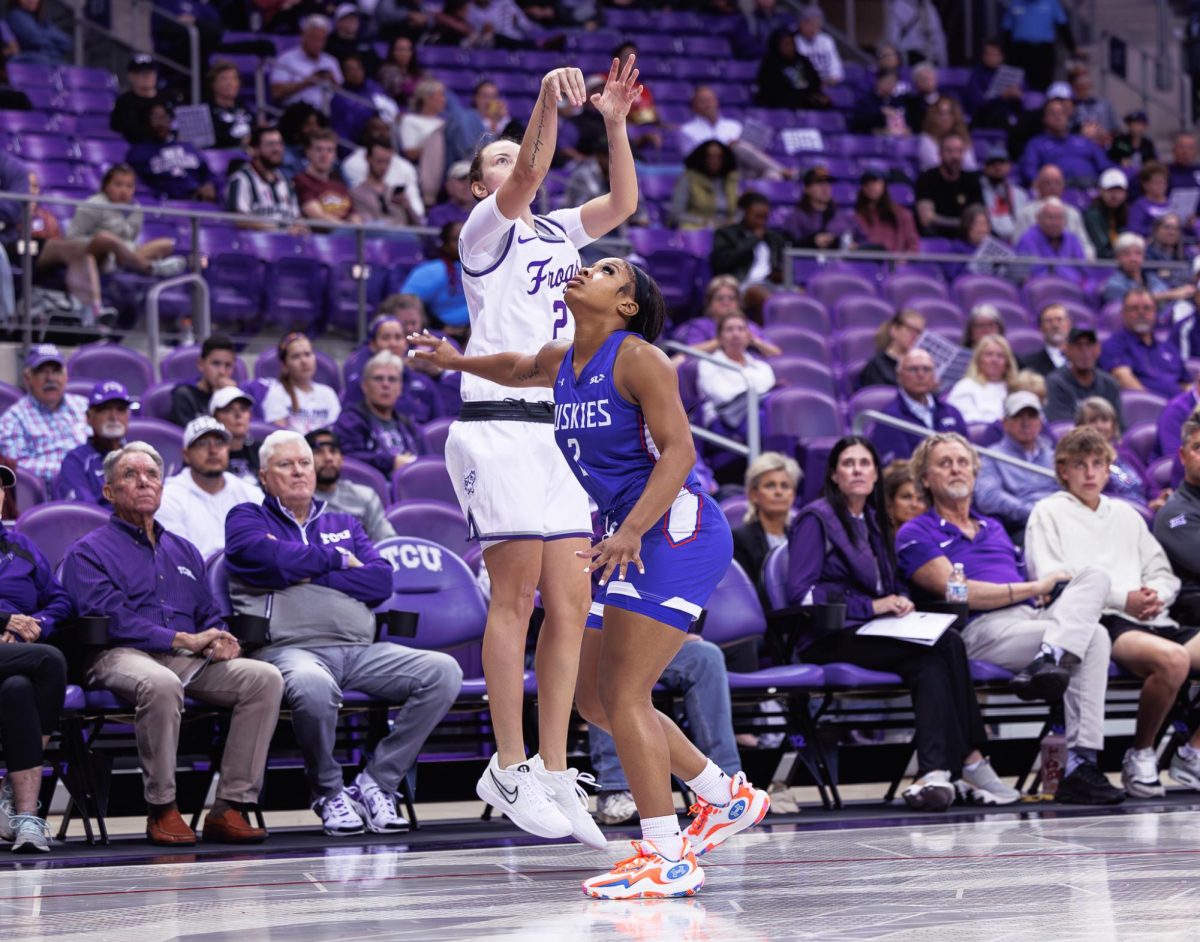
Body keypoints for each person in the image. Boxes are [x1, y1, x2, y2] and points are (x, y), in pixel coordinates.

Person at [410, 255, 770, 899]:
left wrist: (629, 529)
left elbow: (682, 451)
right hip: (634, 536)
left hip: (673, 531)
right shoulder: (562, 356)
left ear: (626, 304)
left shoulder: (640, 358)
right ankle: (726, 796)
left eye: (606, 270)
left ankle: (666, 852)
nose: (586, 270)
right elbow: (516, 369)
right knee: (596, 701)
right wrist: (455, 363)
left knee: (626, 694)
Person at [427, 61, 641, 847]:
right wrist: (547, 101)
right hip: (494, 422)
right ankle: (508, 763)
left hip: (556, 431)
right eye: (497, 157)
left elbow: (623, 202)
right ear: (480, 183)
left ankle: (553, 766)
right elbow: (536, 166)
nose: (513, 160)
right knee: (513, 598)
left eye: (515, 151)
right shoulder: (483, 230)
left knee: (572, 604)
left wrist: (614, 119)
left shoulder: (556, 231)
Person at [226, 431, 461, 836]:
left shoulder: (343, 522)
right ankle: (328, 791)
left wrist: (298, 573)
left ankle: (377, 782)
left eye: (304, 463)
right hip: (288, 650)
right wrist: (336, 560)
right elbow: (260, 557)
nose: (299, 471)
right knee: (314, 686)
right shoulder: (246, 518)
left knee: (444, 672)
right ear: (264, 477)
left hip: (359, 650)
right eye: (286, 464)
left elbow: (380, 582)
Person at [62, 442, 284, 845]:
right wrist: (183, 638)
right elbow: (111, 618)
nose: (143, 481)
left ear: (162, 488)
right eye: (130, 474)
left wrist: (221, 639)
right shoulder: (88, 551)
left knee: (264, 678)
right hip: (117, 654)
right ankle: (162, 808)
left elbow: (208, 612)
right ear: (109, 492)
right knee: (160, 683)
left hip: (183, 656)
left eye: (151, 475)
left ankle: (230, 805)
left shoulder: (183, 549)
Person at [787, 436, 1016, 810]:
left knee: (940, 651)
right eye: (848, 463)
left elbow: (885, 584)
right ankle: (972, 759)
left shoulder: (874, 520)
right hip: (830, 633)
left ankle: (935, 772)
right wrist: (871, 605)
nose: (857, 470)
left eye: (865, 463)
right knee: (941, 648)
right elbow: (802, 593)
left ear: (877, 474)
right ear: (834, 474)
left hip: (874, 630)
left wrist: (901, 601)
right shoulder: (816, 518)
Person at [897, 433, 1123, 805]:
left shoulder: (994, 527)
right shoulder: (916, 531)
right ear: (925, 478)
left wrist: (1042, 591)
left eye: (963, 462)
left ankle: (1078, 755)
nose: (956, 468)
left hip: (1031, 618)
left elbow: (1037, 591)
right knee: (1094, 637)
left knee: (1095, 579)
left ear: (974, 472)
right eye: (944, 463)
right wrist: (1034, 586)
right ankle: (1079, 760)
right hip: (979, 628)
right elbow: (959, 591)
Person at [1027, 426, 1200, 797]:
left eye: (1097, 464)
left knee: (1175, 653)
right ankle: (1140, 755)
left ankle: (1192, 752)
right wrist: (1126, 598)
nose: (1090, 473)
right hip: (1101, 620)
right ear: (1063, 470)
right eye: (1080, 465)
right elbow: (1055, 581)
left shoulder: (1125, 514)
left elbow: (1162, 572)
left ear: (1109, 469)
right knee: (1172, 661)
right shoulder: (1047, 512)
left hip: (1153, 614)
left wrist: (1157, 594)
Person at [589, 636, 745, 825]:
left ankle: (726, 787)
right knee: (610, 666)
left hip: (655, 646)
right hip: (604, 647)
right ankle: (616, 788)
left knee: (705, 655)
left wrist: (674, 635)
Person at [0, 462, 71, 853]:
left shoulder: (22, 547)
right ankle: (16, 793)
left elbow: (60, 600)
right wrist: (7, 619)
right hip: (22, 649)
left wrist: (36, 624)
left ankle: (26, 817)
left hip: (15, 658)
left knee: (18, 688)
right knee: (49, 662)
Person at [156, 417, 263, 560]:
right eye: (202, 444)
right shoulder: (168, 497)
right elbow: (179, 561)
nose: (213, 450)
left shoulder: (251, 493)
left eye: (219, 443)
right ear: (186, 455)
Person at [62, 164, 184, 280]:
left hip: (127, 255)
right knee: (105, 238)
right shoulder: (93, 205)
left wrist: (125, 252)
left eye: (129, 186)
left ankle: (133, 264)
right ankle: (148, 266)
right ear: (106, 186)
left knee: (166, 244)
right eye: (118, 185)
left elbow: (132, 240)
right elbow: (72, 238)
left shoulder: (136, 209)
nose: (124, 190)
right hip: (101, 256)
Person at [0, 344, 87, 488]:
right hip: (48, 496)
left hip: (93, 486)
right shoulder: (12, 419)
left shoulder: (84, 406)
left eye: (56, 371)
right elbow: (15, 468)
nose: (50, 378)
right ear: (28, 378)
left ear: (66, 377)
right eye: (42, 372)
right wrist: (69, 472)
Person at [974, 391, 1060, 535]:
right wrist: (1030, 511)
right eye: (1018, 416)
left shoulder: (1053, 455)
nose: (1025, 423)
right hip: (1024, 526)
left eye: (1032, 416)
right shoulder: (991, 456)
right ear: (1005, 423)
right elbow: (988, 497)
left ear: (1040, 421)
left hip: (1061, 519)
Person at [342, 306, 444, 417]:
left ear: (405, 344)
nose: (393, 343)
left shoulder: (424, 382)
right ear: (373, 345)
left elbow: (439, 422)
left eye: (398, 337)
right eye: (386, 338)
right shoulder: (361, 381)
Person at [333, 351, 423, 476]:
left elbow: (426, 460)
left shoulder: (408, 425)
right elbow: (348, 459)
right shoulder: (350, 420)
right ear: (365, 386)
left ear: (400, 388)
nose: (385, 384)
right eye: (378, 378)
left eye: (392, 379)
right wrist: (391, 463)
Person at [871, 349, 968, 465]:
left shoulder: (952, 412)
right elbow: (898, 469)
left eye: (926, 369)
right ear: (899, 376)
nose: (920, 375)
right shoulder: (889, 419)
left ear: (934, 376)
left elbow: (968, 455)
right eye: (913, 369)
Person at [307, 428, 397, 543]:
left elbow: (388, 541)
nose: (328, 458)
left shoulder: (364, 496)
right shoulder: (297, 501)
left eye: (333, 451)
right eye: (318, 452)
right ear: (305, 461)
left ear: (341, 459)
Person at [53, 381, 135, 505]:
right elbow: (85, 514)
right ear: (89, 417)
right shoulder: (75, 461)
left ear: (128, 416)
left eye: (120, 409)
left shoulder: (140, 457)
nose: (114, 417)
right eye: (105, 409)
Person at [696, 312, 776, 439]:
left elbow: (769, 384)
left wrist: (746, 391)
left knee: (778, 411)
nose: (736, 334)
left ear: (748, 336)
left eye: (741, 329)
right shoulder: (708, 363)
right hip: (723, 419)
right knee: (766, 416)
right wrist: (752, 391)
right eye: (729, 329)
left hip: (755, 414)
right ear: (720, 337)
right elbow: (721, 395)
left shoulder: (761, 366)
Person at [1100, 287, 1190, 398]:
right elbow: (1123, 378)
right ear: (1123, 313)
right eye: (1134, 308)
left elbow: (1186, 384)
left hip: (1179, 410)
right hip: (1144, 410)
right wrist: (1156, 404)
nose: (1141, 313)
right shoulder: (1114, 345)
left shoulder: (1168, 347)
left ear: (1155, 312)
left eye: (1147, 308)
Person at [732, 451, 800, 591]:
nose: (778, 492)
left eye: (785, 486)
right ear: (754, 494)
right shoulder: (740, 540)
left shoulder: (800, 538)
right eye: (770, 485)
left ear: (793, 495)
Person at [1075, 396, 1160, 508]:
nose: (1100, 426)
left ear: (1113, 425)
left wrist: (1157, 500)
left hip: (1146, 512)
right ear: (1081, 426)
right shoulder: (1081, 462)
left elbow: (1150, 487)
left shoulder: (1126, 454)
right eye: (1093, 421)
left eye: (1105, 420)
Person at [126, 104, 217, 202]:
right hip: (165, 203)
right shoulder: (138, 152)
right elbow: (136, 183)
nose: (160, 123)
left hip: (198, 199)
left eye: (164, 117)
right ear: (147, 122)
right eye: (155, 118)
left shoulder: (188, 147)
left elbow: (207, 173)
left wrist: (208, 184)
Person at [225, 126, 303, 231]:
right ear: (255, 149)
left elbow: (297, 217)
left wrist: (300, 228)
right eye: (271, 144)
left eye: (280, 144)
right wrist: (279, 231)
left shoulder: (286, 181)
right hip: (254, 244)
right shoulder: (241, 180)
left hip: (288, 244)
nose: (277, 149)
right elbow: (240, 220)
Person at [1019, 98, 1110, 187]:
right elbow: (1029, 171)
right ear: (1044, 118)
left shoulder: (1084, 141)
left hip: (1091, 189)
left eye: (1062, 113)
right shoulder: (1036, 143)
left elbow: (1105, 166)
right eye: (1053, 113)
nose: (1058, 117)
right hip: (1056, 192)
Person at [262, 333, 342, 434]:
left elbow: (336, 434)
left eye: (308, 354)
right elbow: (280, 438)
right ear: (284, 364)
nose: (304, 361)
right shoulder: (276, 395)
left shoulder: (328, 393)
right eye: (296, 357)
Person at [1014, 163, 1097, 259]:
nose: (1052, 187)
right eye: (1047, 183)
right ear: (1037, 185)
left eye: (1057, 183)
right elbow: (1019, 245)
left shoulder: (1073, 213)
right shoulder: (1026, 213)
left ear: (1063, 186)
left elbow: (1086, 247)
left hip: (1069, 268)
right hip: (1037, 267)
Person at [399, 221, 470, 332]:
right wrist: (441, 327)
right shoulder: (431, 271)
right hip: (440, 332)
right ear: (444, 243)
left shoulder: (483, 268)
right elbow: (406, 303)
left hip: (474, 329)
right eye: (456, 239)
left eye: (467, 238)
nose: (463, 243)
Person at [1045, 328, 1125, 424]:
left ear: (1097, 349)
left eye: (1089, 345)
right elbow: (1061, 426)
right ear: (1067, 349)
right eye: (1078, 345)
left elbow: (1119, 425)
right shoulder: (1055, 383)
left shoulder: (1109, 383)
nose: (1084, 351)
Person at [710, 192, 788, 286]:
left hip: (770, 285)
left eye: (765, 217)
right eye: (757, 217)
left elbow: (781, 264)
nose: (762, 222)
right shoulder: (726, 234)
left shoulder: (773, 238)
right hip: (741, 284)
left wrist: (778, 274)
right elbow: (721, 263)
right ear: (744, 213)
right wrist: (753, 239)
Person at [342, 117, 423, 206]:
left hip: (401, 216)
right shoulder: (353, 163)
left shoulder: (406, 167)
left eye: (385, 129)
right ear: (366, 133)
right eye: (376, 129)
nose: (382, 133)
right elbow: (362, 199)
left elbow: (415, 203)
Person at [270, 14, 343, 112]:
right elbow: (276, 93)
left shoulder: (331, 61)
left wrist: (333, 81)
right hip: (297, 113)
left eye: (322, 39)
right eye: (314, 38)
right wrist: (307, 82)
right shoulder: (286, 59)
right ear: (303, 35)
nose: (318, 44)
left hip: (329, 114)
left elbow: (343, 94)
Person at [1099, 232, 1193, 308]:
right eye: (1127, 254)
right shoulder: (1113, 283)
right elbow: (1128, 305)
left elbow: (1164, 290)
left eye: (1138, 253)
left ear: (1143, 256)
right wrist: (1170, 295)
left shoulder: (1150, 277)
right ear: (1117, 258)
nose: (1133, 259)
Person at [915, 134, 984, 237]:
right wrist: (962, 223)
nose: (955, 156)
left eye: (959, 151)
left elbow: (978, 213)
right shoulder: (927, 178)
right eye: (949, 151)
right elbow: (926, 219)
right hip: (937, 233)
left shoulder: (971, 179)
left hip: (965, 234)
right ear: (940, 153)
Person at [168, 334, 238, 427]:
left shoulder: (236, 396)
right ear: (201, 364)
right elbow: (191, 438)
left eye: (228, 365)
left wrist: (233, 396)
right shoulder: (184, 396)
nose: (222, 371)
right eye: (216, 363)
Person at [668, 140, 740, 231]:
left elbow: (738, 212)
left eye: (719, 157)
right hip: (698, 230)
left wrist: (734, 221)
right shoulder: (687, 179)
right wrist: (704, 222)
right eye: (710, 157)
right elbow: (676, 215)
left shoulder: (730, 180)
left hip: (727, 231)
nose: (715, 161)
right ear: (702, 158)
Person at [1013, 198, 1088, 285]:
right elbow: (1023, 277)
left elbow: (1085, 270)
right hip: (1043, 291)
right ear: (1038, 218)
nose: (1055, 222)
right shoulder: (1027, 239)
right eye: (1050, 217)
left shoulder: (1072, 239)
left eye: (1059, 218)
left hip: (1074, 290)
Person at [946, 334, 1019, 424]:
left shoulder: (1016, 389)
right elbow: (966, 421)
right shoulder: (965, 386)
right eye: (989, 354)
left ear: (1007, 362)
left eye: (1000, 356)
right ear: (978, 360)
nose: (994, 360)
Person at [294, 129, 360, 226]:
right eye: (319, 149)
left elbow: (354, 215)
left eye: (329, 150)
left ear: (334, 155)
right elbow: (317, 215)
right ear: (308, 152)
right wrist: (348, 229)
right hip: (321, 236)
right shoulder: (301, 180)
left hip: (347, 235)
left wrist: (357, 228)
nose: (324, 155)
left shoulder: (340, 186)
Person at [350, 140, 423, 226]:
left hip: (404, 236)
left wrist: (407, 207)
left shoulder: (394, 192)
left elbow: (419, 225)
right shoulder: (357, 193)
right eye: (379, 161)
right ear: (368, 158)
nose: (384, 167)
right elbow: (368, 224)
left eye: (388, 162)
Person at [784, 166, 857, 250]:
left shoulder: (842, 217)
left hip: (840, 262)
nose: (825, 187)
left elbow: (859, 241)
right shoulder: (795, 218)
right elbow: (790, 245)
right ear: (806, 189)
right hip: (808, 262)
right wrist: (812, 242)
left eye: (828, 182)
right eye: (819, 182)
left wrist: (853, 247)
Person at [755, 27, 828, 111]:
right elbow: (771, 93)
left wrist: (816, 97)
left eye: (792, 44)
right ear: (777, 45)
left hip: (805, 103)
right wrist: (801, 98)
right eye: (786, 44)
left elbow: (815, 83)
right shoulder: (770, 64)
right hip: (781, 107)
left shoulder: (802, 60)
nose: (790, 47)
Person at [858, 309, 926, 389]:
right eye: (910, 329)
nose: (915, 336)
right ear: (894, 330)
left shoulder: (922, 366)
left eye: (919, 332)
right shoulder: (876, 366)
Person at [210, 386, 261, 487]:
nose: (238, 415)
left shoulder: (261, 450)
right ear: (214, 418)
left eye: (243, 409)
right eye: (228, 410)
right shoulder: (210, 455)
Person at [110, 54, 167, 144]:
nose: (147, 76)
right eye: (141, 72)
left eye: (150, 72)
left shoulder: (166, 99)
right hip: (139, 150)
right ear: (131, 76)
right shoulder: (124, 102)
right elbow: (129, 132)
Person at [917, 97, 977, 173]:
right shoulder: (927, 138)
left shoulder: (962, 137)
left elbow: (970, 165)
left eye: (949, 113)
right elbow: (933, 165)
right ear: (933, 117)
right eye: (941, 114)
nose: (945, 118)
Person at [207, 60, 255, 149]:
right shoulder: (207, 112)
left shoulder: (245, 108)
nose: (230, 83)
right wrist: (241, 142)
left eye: (234, 78)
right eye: (224, 79)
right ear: (213, 84)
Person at [1083, 168, 1130, 259]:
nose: (1114, 195)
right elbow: (1102, 251)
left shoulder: (1121, 213)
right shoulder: (1093, 215)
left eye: (1118, 190)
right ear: (1101, 191)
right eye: (1110, 190)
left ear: (1125, 193)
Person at [5, 0, 69, 65]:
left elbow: (66, 43)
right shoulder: (15, 16)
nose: (32, 0)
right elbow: (36, 40)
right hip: (28, 64)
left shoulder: (42, 19)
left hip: (47, 62)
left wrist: (42, 33)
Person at [793, 5, 843, 83]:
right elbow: (796, 72)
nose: (813, 27)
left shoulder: (826, 40)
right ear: (801, 24)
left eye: (816, 24)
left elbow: (835, 67)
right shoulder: (795, 41)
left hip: (828, 84)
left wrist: (833, 80)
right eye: (809, 23)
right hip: (806, 85)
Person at [1019, 303, 1071, 376]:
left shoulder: (1085, 360)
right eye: (1049, 321)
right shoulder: (1029, 365)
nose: (1055, 325)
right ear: (1041, 328)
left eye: (1059, 320)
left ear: (1069, 324)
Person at [376, 34, 423, 107]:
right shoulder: (386, 70)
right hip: (397, 107)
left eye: (408, 49)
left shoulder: (416, 70)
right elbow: (399, 90)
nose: (404, 53)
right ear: (392, 52)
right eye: (400, 50)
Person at [1127, 161, 1172, 237]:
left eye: (1163, 182)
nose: (1161, 186)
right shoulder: (1139, 206)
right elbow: (1134, 229)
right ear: (1145, 185)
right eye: (1157, 182)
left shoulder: (1172, 203)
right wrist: (1157, 230)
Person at [883, 459, 927, 529]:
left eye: (921, 499)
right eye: (906, 497)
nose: (914, 505)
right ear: (890, 504)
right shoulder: (873, 537)